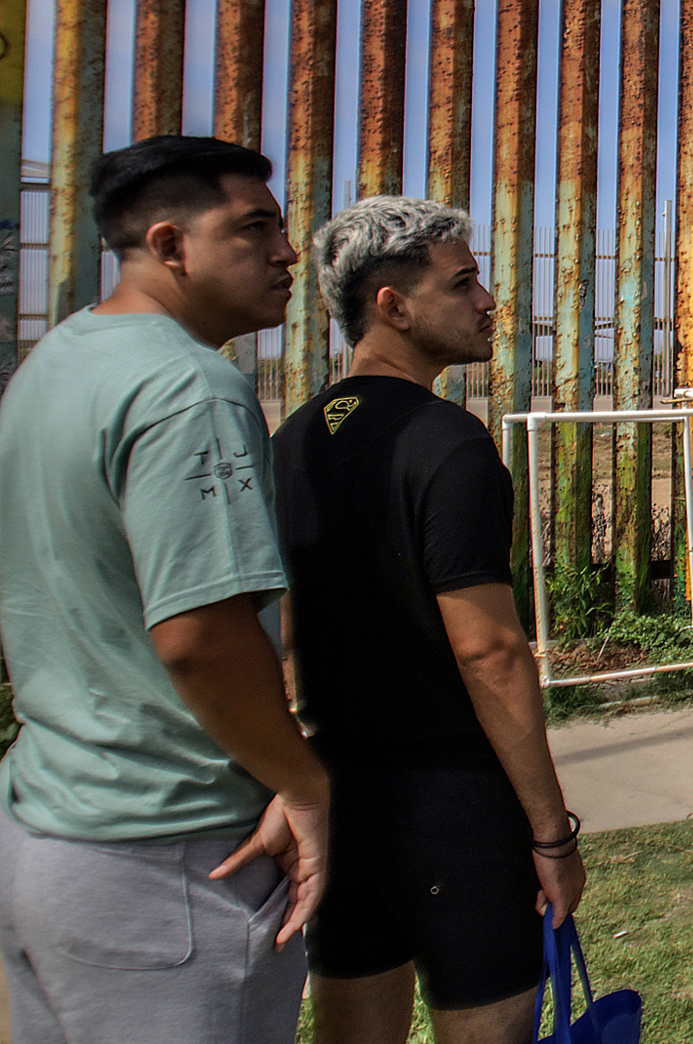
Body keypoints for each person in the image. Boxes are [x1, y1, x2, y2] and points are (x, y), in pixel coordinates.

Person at [0, 137, 327, 1044]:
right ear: (170, 244)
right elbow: (200, 635)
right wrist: (305, 782)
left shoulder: (54, 362)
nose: (286, 252)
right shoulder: (188, 384)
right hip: (170, 858)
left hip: (49, 824)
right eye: (254, 228)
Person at [273, 196, 584, 1044]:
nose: (489, 301)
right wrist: (551, 832)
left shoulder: (294, 439)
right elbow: (488, 649)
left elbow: (285, 626)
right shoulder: (448, 441)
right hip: (450, 803)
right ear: (393, 306)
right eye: (465, 281)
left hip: (338, 789)